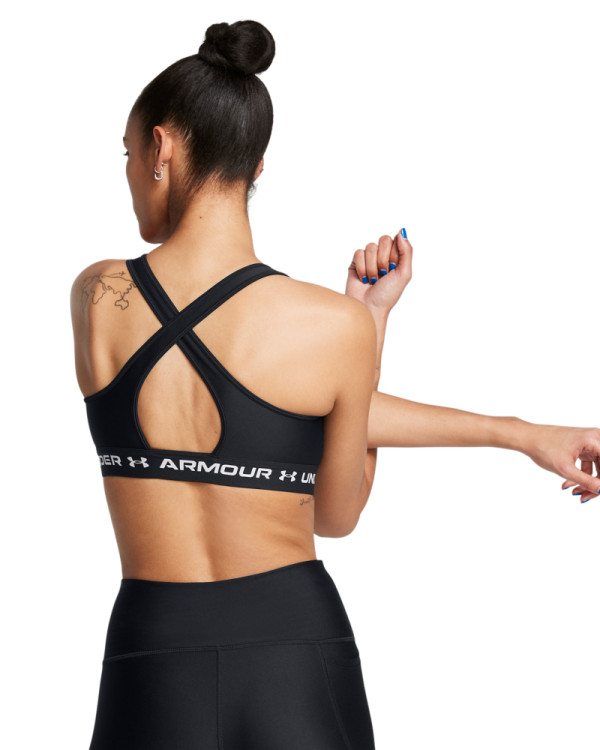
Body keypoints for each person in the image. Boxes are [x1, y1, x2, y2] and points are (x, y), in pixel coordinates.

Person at [70, 19, 600, 750]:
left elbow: (266, 403)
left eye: (128, 153)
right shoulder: (329, 328)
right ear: (257, 167)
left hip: (151, 653)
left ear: (161, 149)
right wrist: (369, 325)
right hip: (293, 649)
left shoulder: (97, 297)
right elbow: (335, 512)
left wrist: (521, 435)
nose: (131, 173)